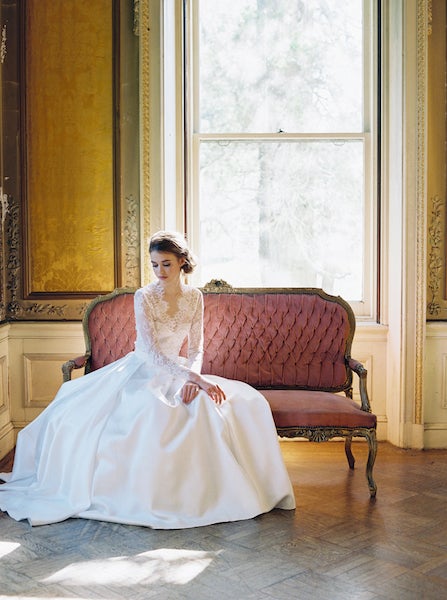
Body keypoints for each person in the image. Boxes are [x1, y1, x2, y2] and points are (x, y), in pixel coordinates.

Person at [0, 231, 295, 528]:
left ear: (182, 262)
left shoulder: (195, 297)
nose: (160, 272)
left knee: (233, 404)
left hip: (181, 371)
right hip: (143, 369)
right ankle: (151, 496)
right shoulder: (145, 297)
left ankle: (209, 494)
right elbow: (152, 353)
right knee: (151, 411)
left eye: (166, 264)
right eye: (154, 265)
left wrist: (193, 379)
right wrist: (193, 376)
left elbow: (196, 348)